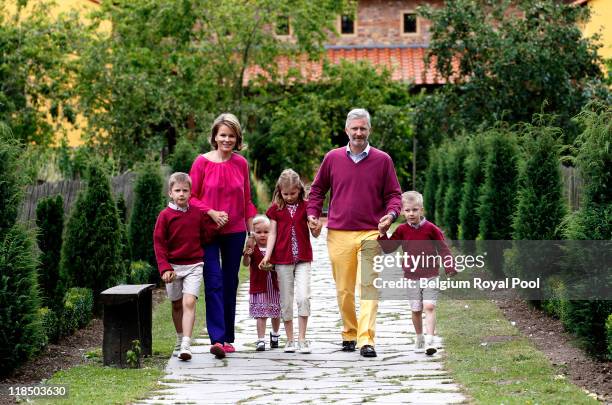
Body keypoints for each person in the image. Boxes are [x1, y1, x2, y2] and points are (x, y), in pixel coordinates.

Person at [307, 108, 402, 358]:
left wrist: (391, 215)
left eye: (363, 128)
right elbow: (317, 191)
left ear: (369, 130)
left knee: (369, 286)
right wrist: (312, 214)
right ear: (346, 130)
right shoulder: (333, 158)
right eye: (355, 128)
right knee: (344, 290)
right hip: (338, 232)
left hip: (372, 232)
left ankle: (366, 339)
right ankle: (349, 331)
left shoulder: (383, 160)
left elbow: (394, 195)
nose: (359, 133)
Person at [189, 113, 258, 359]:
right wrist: (211, 212)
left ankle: (228, 338)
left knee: (230, 283)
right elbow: (191, 197)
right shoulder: (201, 163)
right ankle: (216, 338)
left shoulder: (241, 163)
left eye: (231, 136)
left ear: (237, 138)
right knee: (214, 281)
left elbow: (247, 201)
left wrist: (251, 233)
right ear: (215, 137)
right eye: (222, 135)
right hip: (207, 231)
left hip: (236, 231)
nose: (226, 139)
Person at [378, 191, 457, 355]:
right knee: (416, 309)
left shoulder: (431, 230)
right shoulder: (401, 230)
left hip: (430, 275)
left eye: (415, 210)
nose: (411, 214)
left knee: (429, 306)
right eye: (407, 210)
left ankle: (430, 340)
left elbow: (443, 249)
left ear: (422, 210)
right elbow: (389, 248)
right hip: (411, 276)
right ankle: (419, 337)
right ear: (402, 212)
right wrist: (382, 234)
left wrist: (449, 266)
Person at [153, 172, 217, 361]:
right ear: (170, 193)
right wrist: (164, 268)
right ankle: (179, 338)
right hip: (172, 267)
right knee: (175, 304)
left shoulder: (197, 214)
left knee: (189, 302)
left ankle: (186, 345)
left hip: (194, 265)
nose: (181, 194)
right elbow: (159, 243)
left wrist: (217, 222)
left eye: (185, 191)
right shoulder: (165, 216)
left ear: (191, 193)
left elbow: (207, 235)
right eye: (177, 190)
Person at [260, 169, 321, 354]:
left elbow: (316, 234)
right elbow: (272, 234)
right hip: (282, 260)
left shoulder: (307, 206)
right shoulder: (275, 210)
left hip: (303, 259)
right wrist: (267, 256)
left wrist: (317, 226)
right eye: (285, 194)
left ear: (299, 190)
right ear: (279, 191)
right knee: (286, 300)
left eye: (292, 193)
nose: (289, 197)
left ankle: (302, 339)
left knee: (303, 297)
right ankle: (290, 340)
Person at [242, 215, 282, 351]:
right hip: (259, 285)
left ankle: (275, 334)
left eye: (266, 232)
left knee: (275, 312)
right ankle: (260, 339)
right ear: (253, 233)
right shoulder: (252, 248)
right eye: (258, 232)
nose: (262, 235)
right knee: (262, 313)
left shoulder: (274, 248)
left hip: (275, 286)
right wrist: (247, 255)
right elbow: (246, 264)